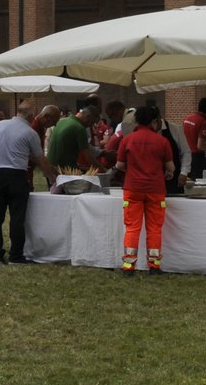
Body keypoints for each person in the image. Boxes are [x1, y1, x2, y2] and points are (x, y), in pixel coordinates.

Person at [0, 102, 58, 264]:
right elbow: (40, 159)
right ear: (30, 116)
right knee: (17, 217)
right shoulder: (30, 133)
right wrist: (52, 178)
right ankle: (16, 255)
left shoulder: (0, 125)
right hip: (18, 175)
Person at [115, 105, 176, 275]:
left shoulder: (127, 139)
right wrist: (166, 173)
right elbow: (170, 168)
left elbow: (119, 165)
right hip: (156, 189)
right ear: (154, 121)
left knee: (132, 228)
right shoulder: (162, 142)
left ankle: (128, 266)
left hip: (133, 188)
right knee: (154, 228)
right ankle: (154, 265)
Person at [48, 95, 101, 171]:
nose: (90, 125)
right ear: (88, 116)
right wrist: (103, 170)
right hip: (63, 171)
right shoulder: (79, 128)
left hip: (50, 167)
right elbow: (88, 156)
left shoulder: (62, 121)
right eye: (92, 122)